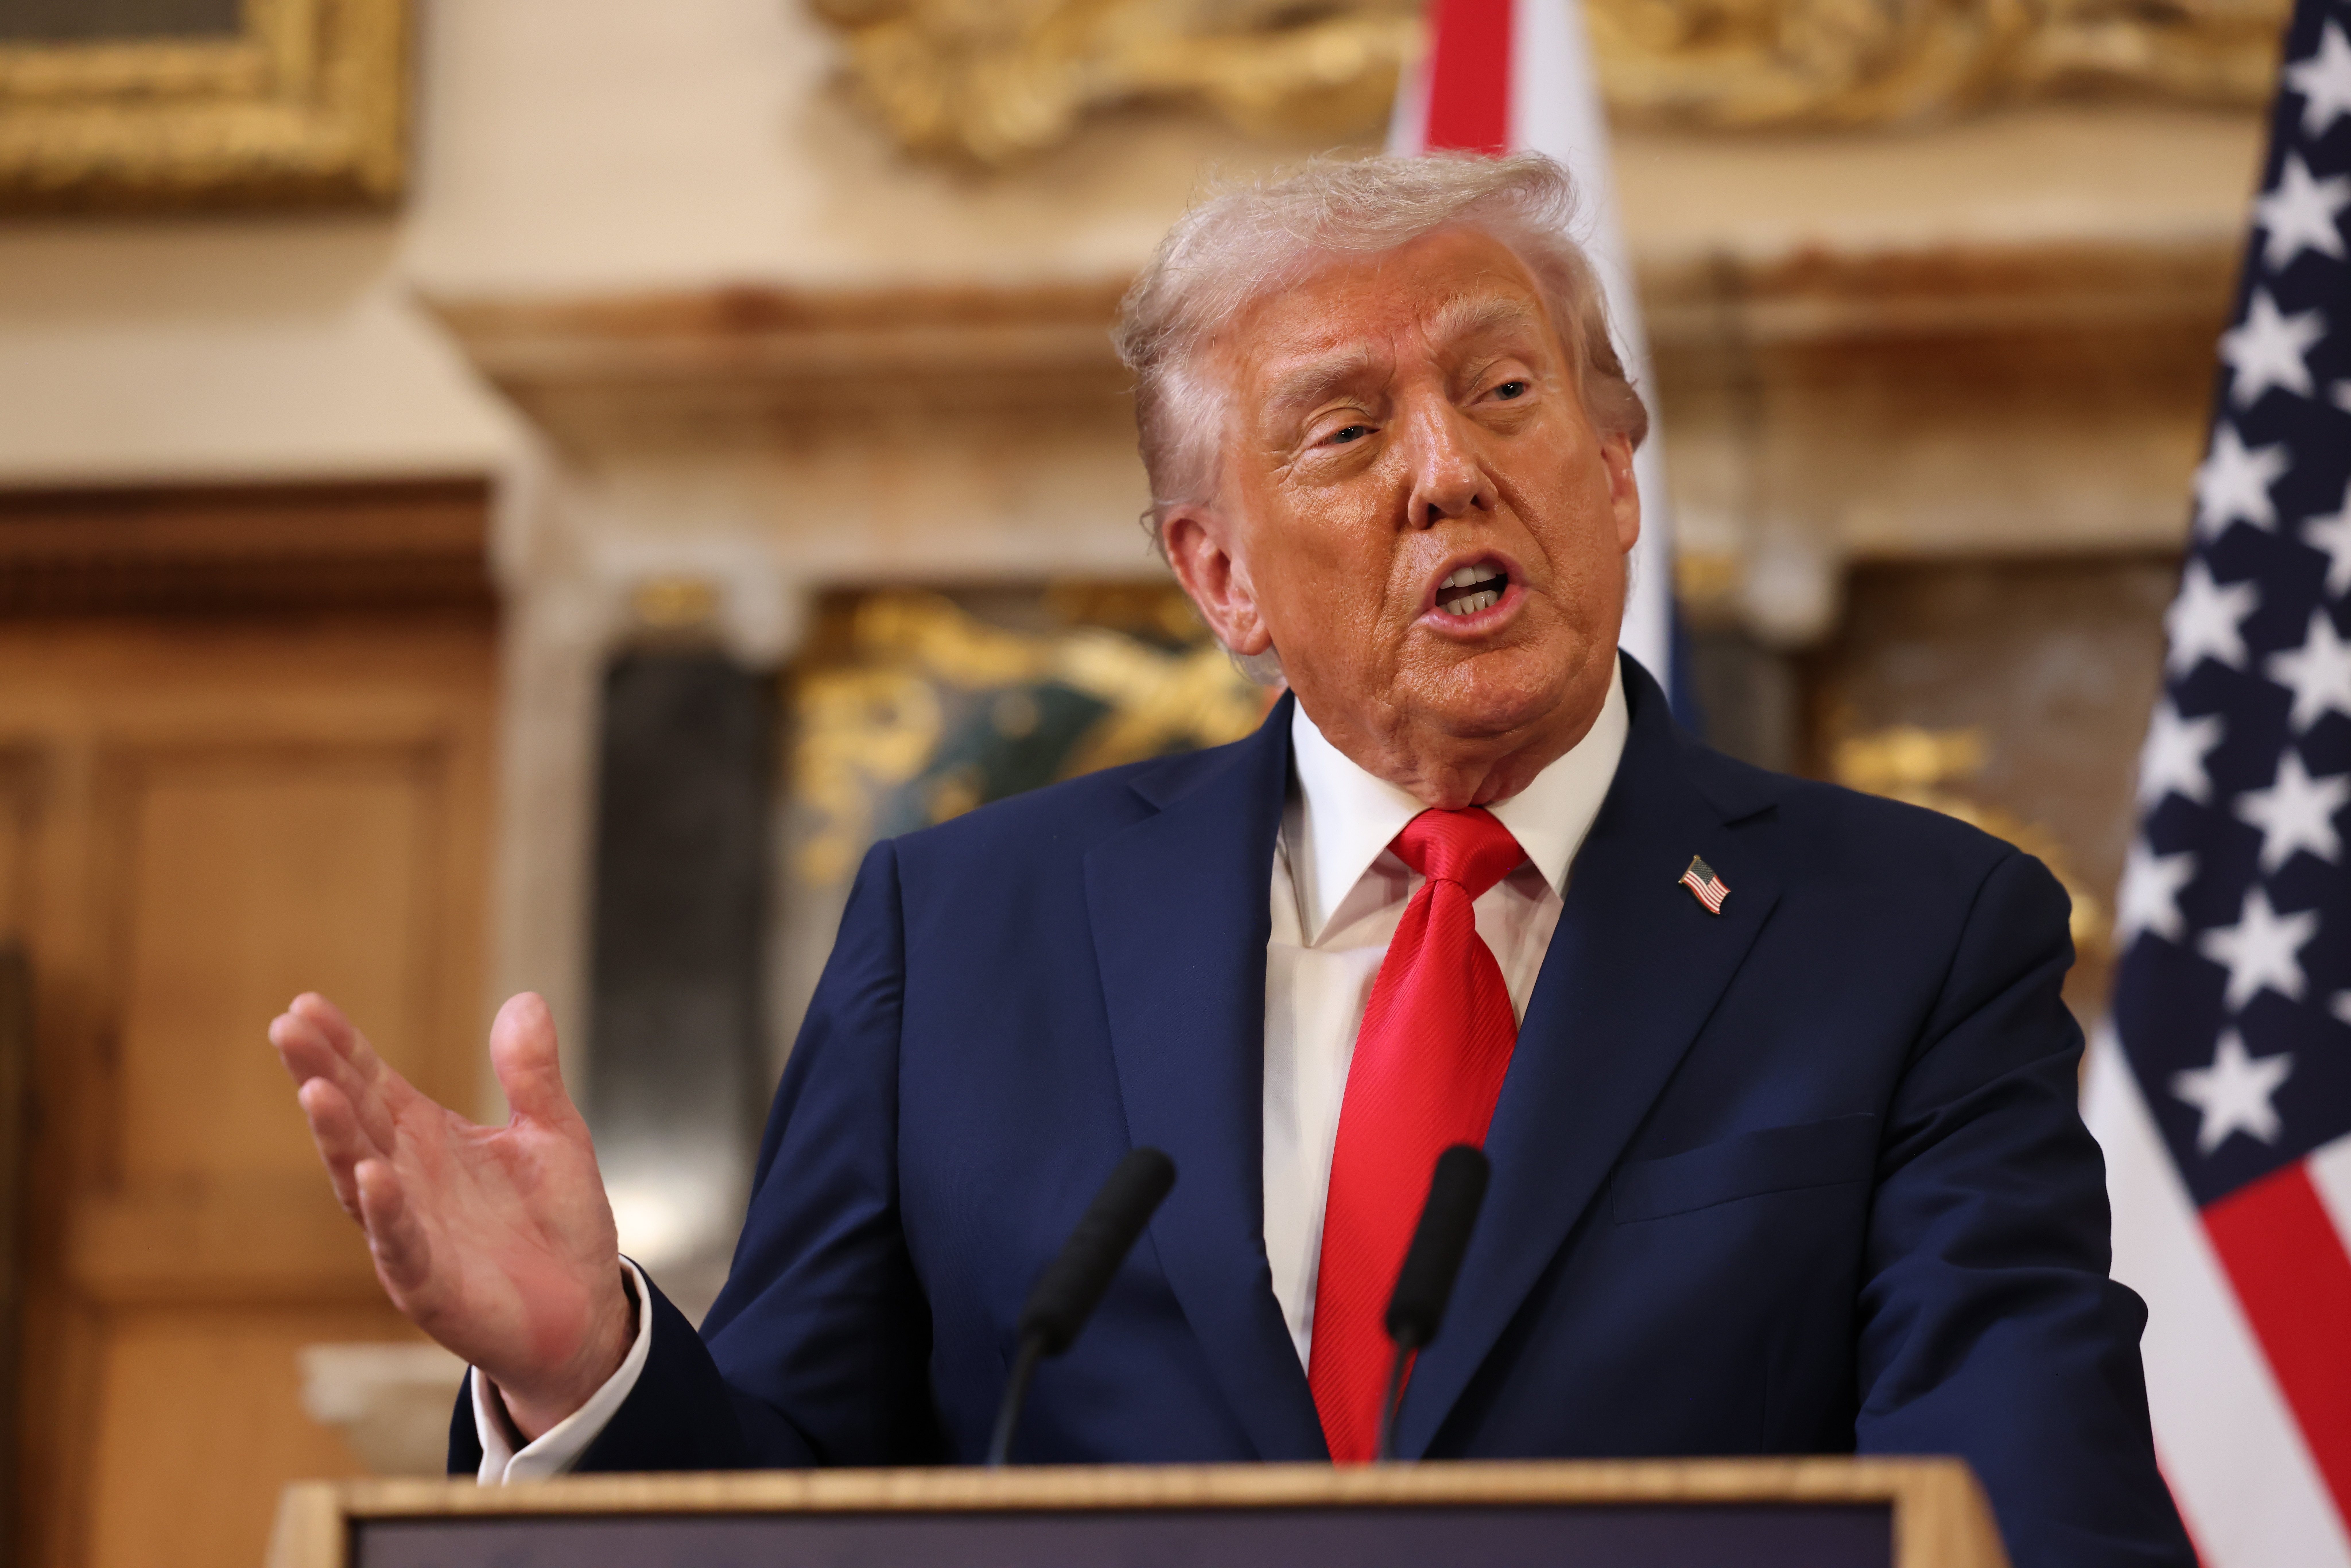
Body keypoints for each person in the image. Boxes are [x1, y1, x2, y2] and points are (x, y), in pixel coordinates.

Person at [271, 153, 2193, 1566]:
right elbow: (788, 1507)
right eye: (1346, 430)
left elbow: (2026, 1499)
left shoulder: (1915, 937)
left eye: (1506, 392)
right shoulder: (966, 938)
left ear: (1619, 474)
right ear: (1221, 578)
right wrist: (582, 1364)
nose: (1448, 469)